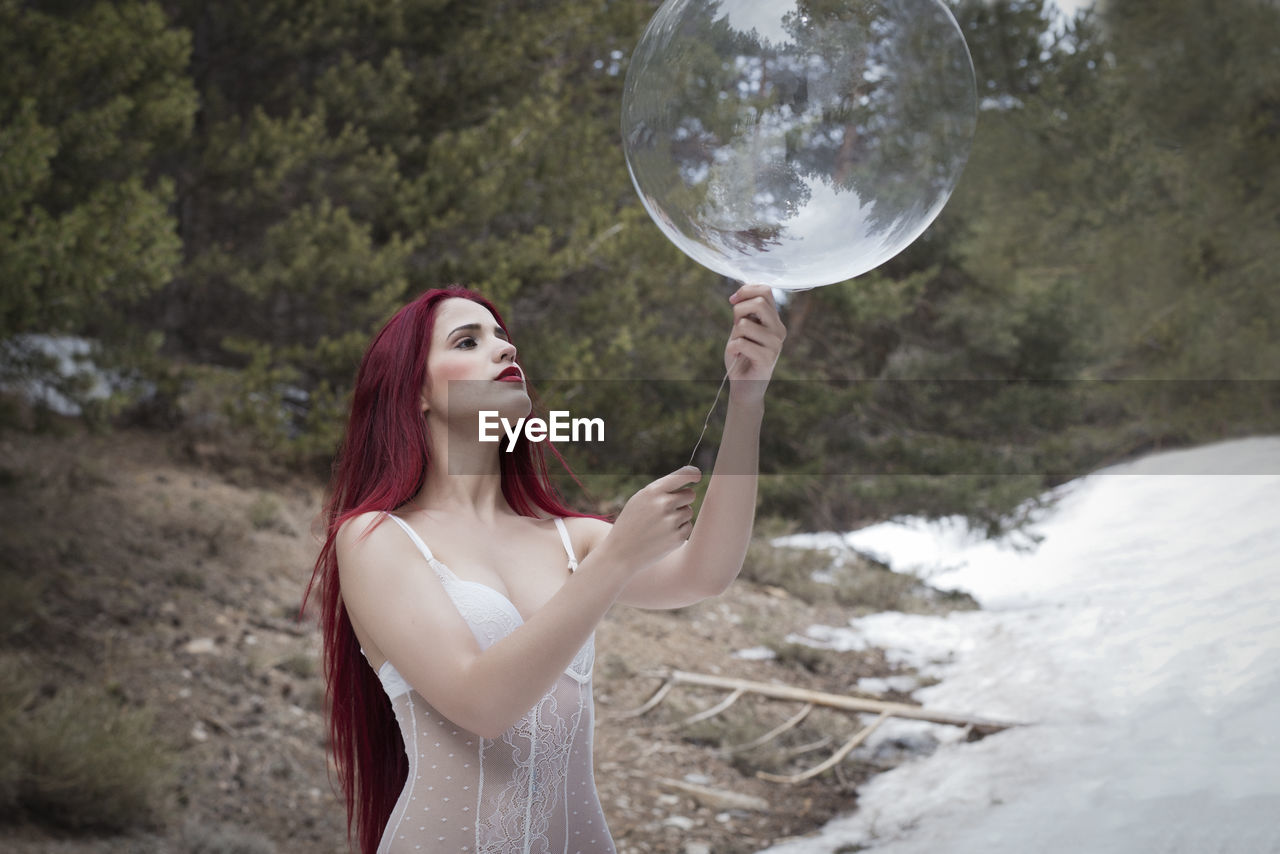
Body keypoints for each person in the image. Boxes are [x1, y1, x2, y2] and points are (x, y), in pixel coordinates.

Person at [304, 283, 785, 854]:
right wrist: (615, 561)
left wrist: (748, 399)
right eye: (468, 340)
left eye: (503, 338)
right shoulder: (376, 537)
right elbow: (482, 704)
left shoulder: (566, 536)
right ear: (415, 395)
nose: (506, 350)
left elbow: (706, 573)